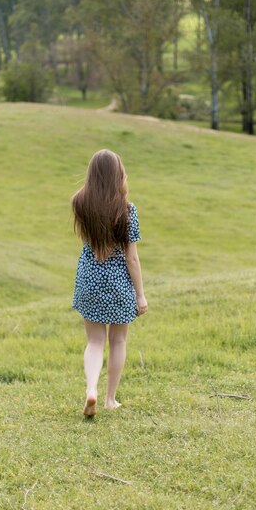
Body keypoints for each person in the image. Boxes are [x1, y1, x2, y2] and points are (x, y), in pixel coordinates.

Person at [71, 149, 148, 417]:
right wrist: (140, 295)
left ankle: (91, 388)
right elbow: (133, 259)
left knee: (94, 341)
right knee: (118, 341)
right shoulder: (127, 210)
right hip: (118, 284)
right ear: (119, 175)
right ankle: (109, 399)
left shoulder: (80, 203)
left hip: (89, 280)